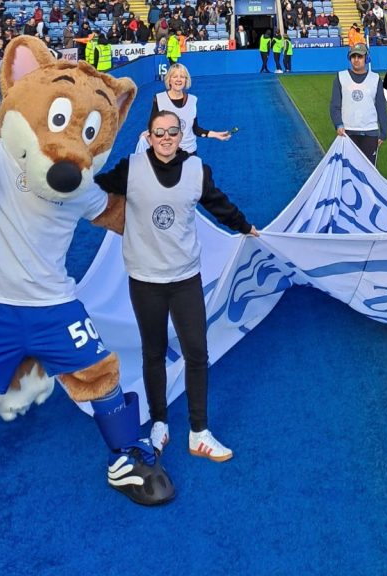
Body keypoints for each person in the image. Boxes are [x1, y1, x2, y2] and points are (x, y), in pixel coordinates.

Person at [94, 110, 259, 462]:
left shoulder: (198, 171)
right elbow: (95, 187)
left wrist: (246, 227)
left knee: (197, 352)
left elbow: (220, 205)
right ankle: (159, 422)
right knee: (152, 352)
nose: (166, 137)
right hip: (145, 280)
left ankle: (198, 432)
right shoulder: (132, 168)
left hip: (185, 279)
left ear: (181, 134)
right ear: (149, 136)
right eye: (159, 132)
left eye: (172, 131)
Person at [148, 63, 232, 154]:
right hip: (168, 154)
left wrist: (216, 135)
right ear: (169, 80)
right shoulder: (159, 99)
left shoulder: (193, 100)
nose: (179, 80)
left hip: (190, 152)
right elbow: (152, 127)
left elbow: (195, 129)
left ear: (186, 80)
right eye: (175, 76)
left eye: (182, 77)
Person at [329, 42, 387, 165]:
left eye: (360, 56)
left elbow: (381, 107)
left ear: (366, 58)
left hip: (370, 132)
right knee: (348, 170)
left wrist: (383, 132)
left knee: (369, 171)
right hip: (347, 132)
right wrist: (338, 124)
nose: (356, 60)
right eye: (353, 56)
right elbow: (335, 105)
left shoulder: (375, 79)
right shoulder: (340, 77)